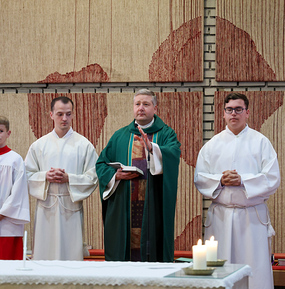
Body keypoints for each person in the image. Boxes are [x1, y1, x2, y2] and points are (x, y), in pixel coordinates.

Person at [194, 92, 280, 289]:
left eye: (238, 109)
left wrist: (243, 180)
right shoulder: (212, 145)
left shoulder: (261, 143)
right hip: (221, 218)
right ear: (223, 114)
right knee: (220, 271)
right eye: (229, 110)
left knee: (255, 272)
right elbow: (200, 177)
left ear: (247, 113)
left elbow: (272, 178)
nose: (234, 114)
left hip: (251, 219)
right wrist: (220, 181)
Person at [96, 89, 181, 262]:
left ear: (155, 108)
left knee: (153, 249)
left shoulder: (165, 134)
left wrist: (154, 149)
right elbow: (101, 164)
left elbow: (173, 154)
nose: (141, 108)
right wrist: (115, 176)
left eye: (146, 104)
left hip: (153, 207)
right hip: (124, 207)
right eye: (137, 104)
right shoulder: (120, 136)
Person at [25, 96, 98, 260]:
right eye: (59, 114)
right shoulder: (39, 145)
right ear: (51, 114)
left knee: (70, 255)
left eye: (68, 114)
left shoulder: (83, 145)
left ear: (73, 115)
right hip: (46, 208)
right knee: (45, 254)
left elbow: (93, 176)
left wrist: (69, 178)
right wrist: (45, 176)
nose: (64, 118)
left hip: (70, 208)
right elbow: (27, 175)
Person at [0, 116, 30, 260]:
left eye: (0, 131)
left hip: (7, 224)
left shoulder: (15, 159)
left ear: (8, 133)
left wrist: (2, 213)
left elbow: (18, 193)